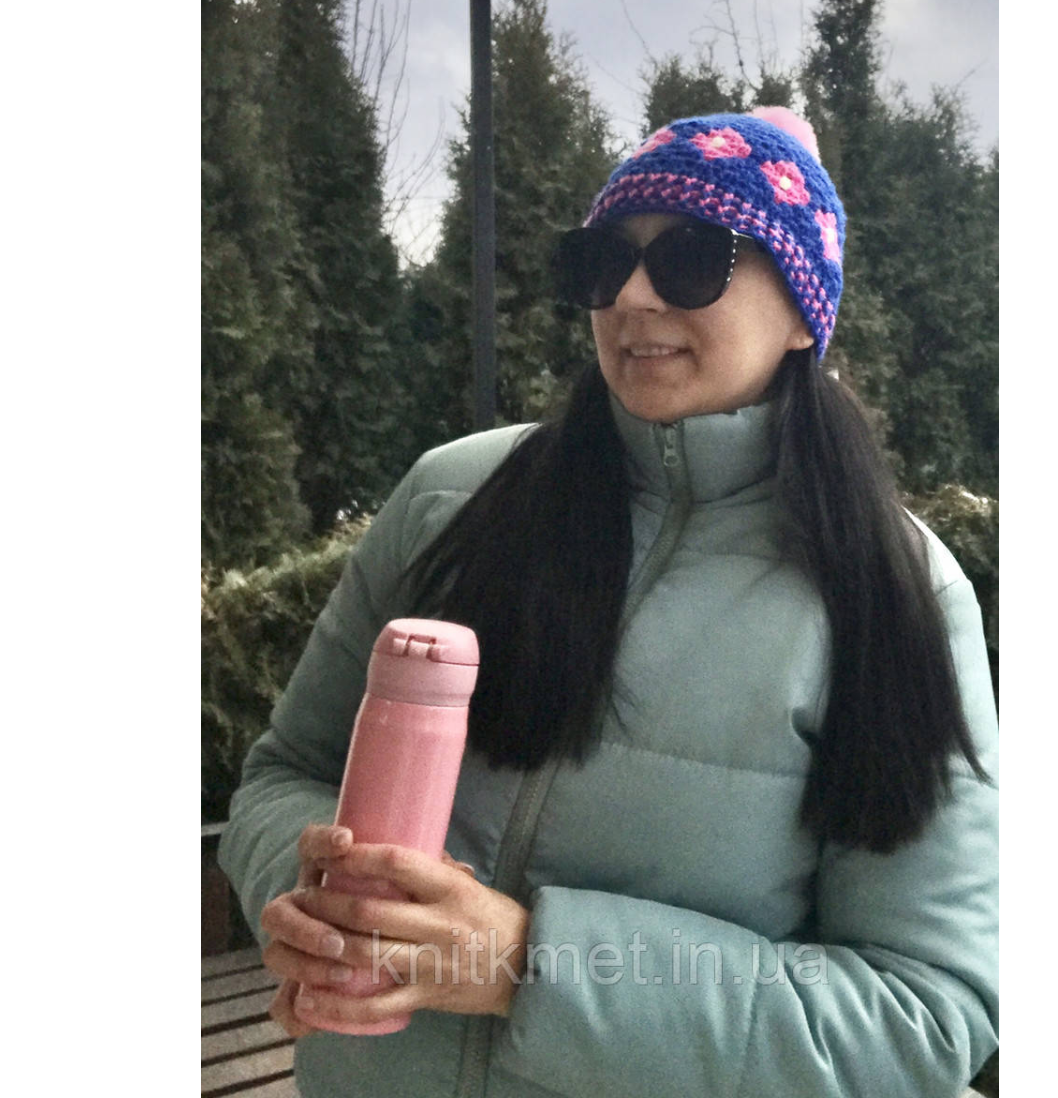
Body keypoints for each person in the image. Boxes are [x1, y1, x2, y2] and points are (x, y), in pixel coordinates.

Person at [218, 106, 999, 1098]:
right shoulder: (449, 499)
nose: (632, 294)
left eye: (693, 258)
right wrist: (311, 897)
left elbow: (926, 1011)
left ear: (806, 311)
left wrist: (525, 966)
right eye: (603, 261)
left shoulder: (895, 589)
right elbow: (284, 774)